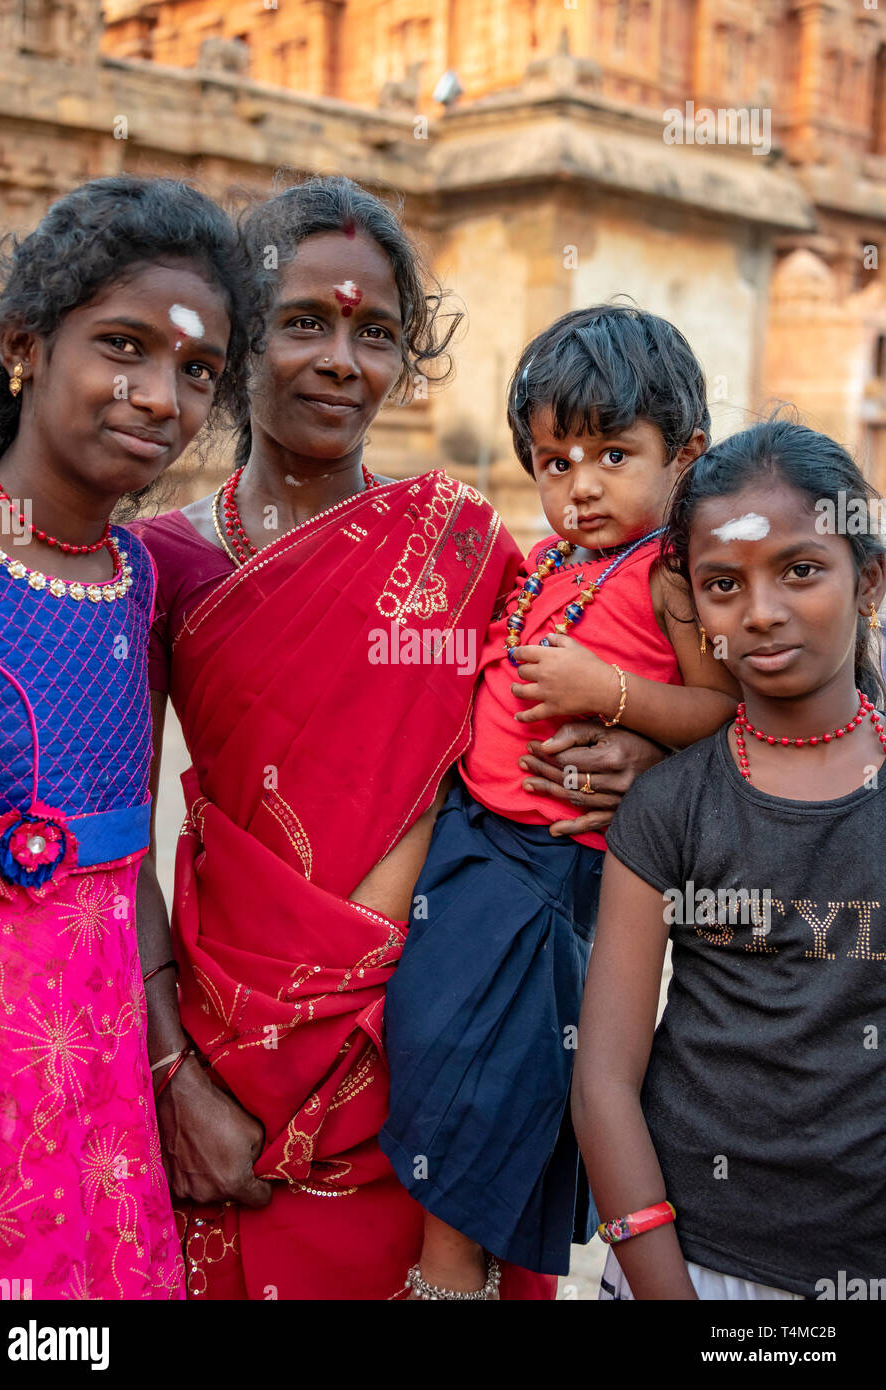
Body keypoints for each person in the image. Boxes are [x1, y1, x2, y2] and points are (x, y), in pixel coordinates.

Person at [132, 178, 665, 1301]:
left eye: (376, 332)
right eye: (303, 322)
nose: (342, 359)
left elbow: (585, 709)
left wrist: (640, 755)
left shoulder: (465, 544)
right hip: (239, 1047)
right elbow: (114, 844)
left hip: (451, 1028)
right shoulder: (160, 567)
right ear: (237, 342)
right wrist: (173, 1074)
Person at [381, 305, 741, 1292]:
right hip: (469, 859)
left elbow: (720, 710)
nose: (579, 486)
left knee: (481, 1114)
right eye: (553, 462)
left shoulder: (669, 574)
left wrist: (614, 698)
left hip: (549, 882)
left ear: (686, 455)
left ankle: (446, 1283)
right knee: (434, 1069)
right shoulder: (545, 564)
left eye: (613, 454)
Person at [0, 175, 261, 1300]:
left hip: (101, 1062)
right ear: (26, 345)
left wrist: (170, 1058)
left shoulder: (140, 579)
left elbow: (124, 858)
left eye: (197, 372)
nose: (159, 397)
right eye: (123, 347)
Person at [572, 419, 886, 1300]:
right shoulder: (671, 804)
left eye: (800, 570)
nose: (759, 611)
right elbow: (603, 1081)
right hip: (695, 1264)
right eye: (721, 584)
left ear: (868, 579)